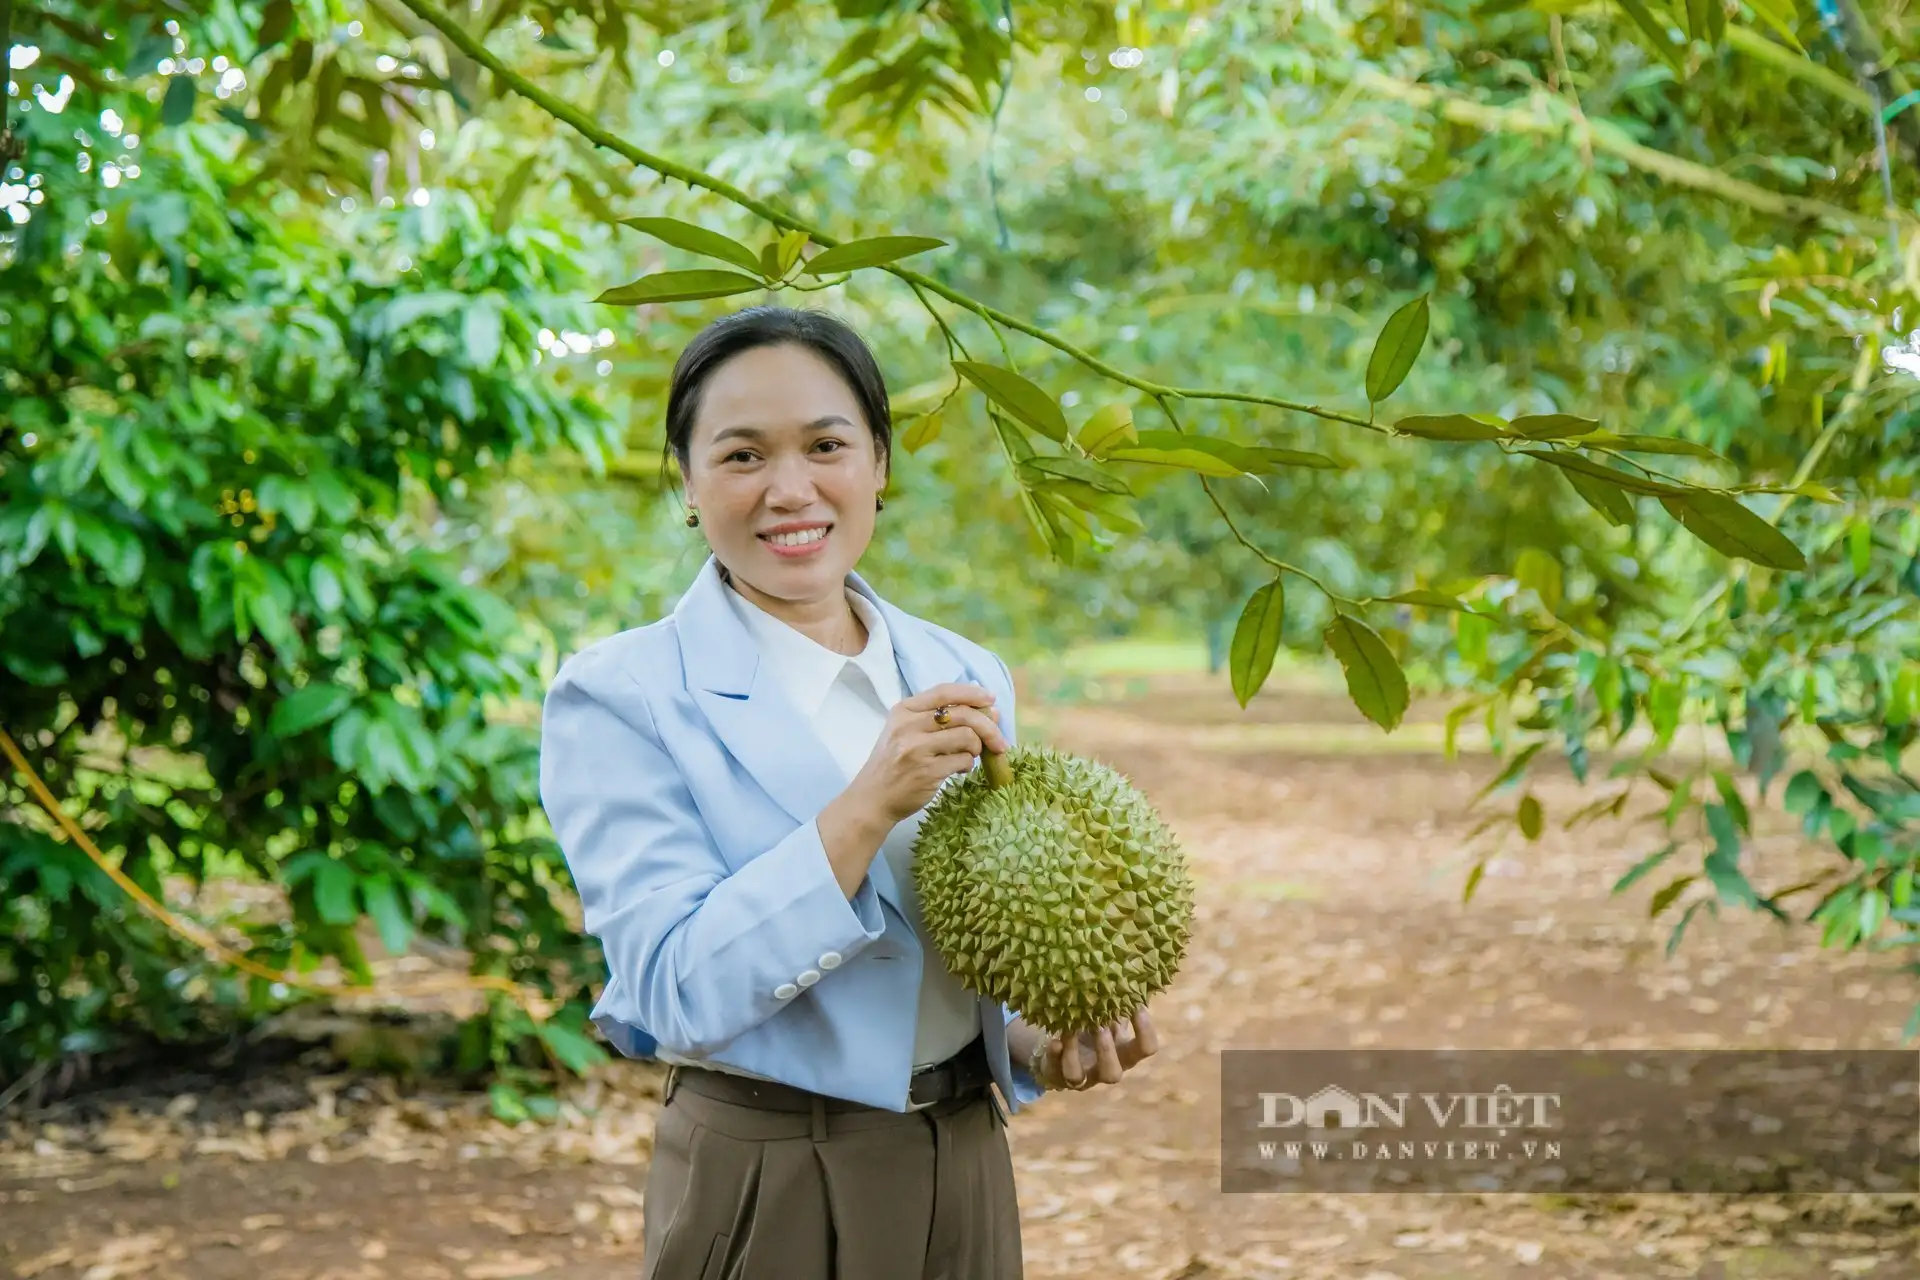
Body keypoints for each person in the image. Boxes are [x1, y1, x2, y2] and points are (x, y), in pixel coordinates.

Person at [538, 305, 1160, 1280]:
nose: (792, 489)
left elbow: (970, 942)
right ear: (689, 485)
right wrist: (865, 805)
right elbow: (671, 989)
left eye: (827, 444)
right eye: (741, 455)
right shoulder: (622, 696)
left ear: (877, 462)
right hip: (765, 1172)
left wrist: (1038, 1042)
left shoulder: (963, 667)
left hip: (963, 1153)